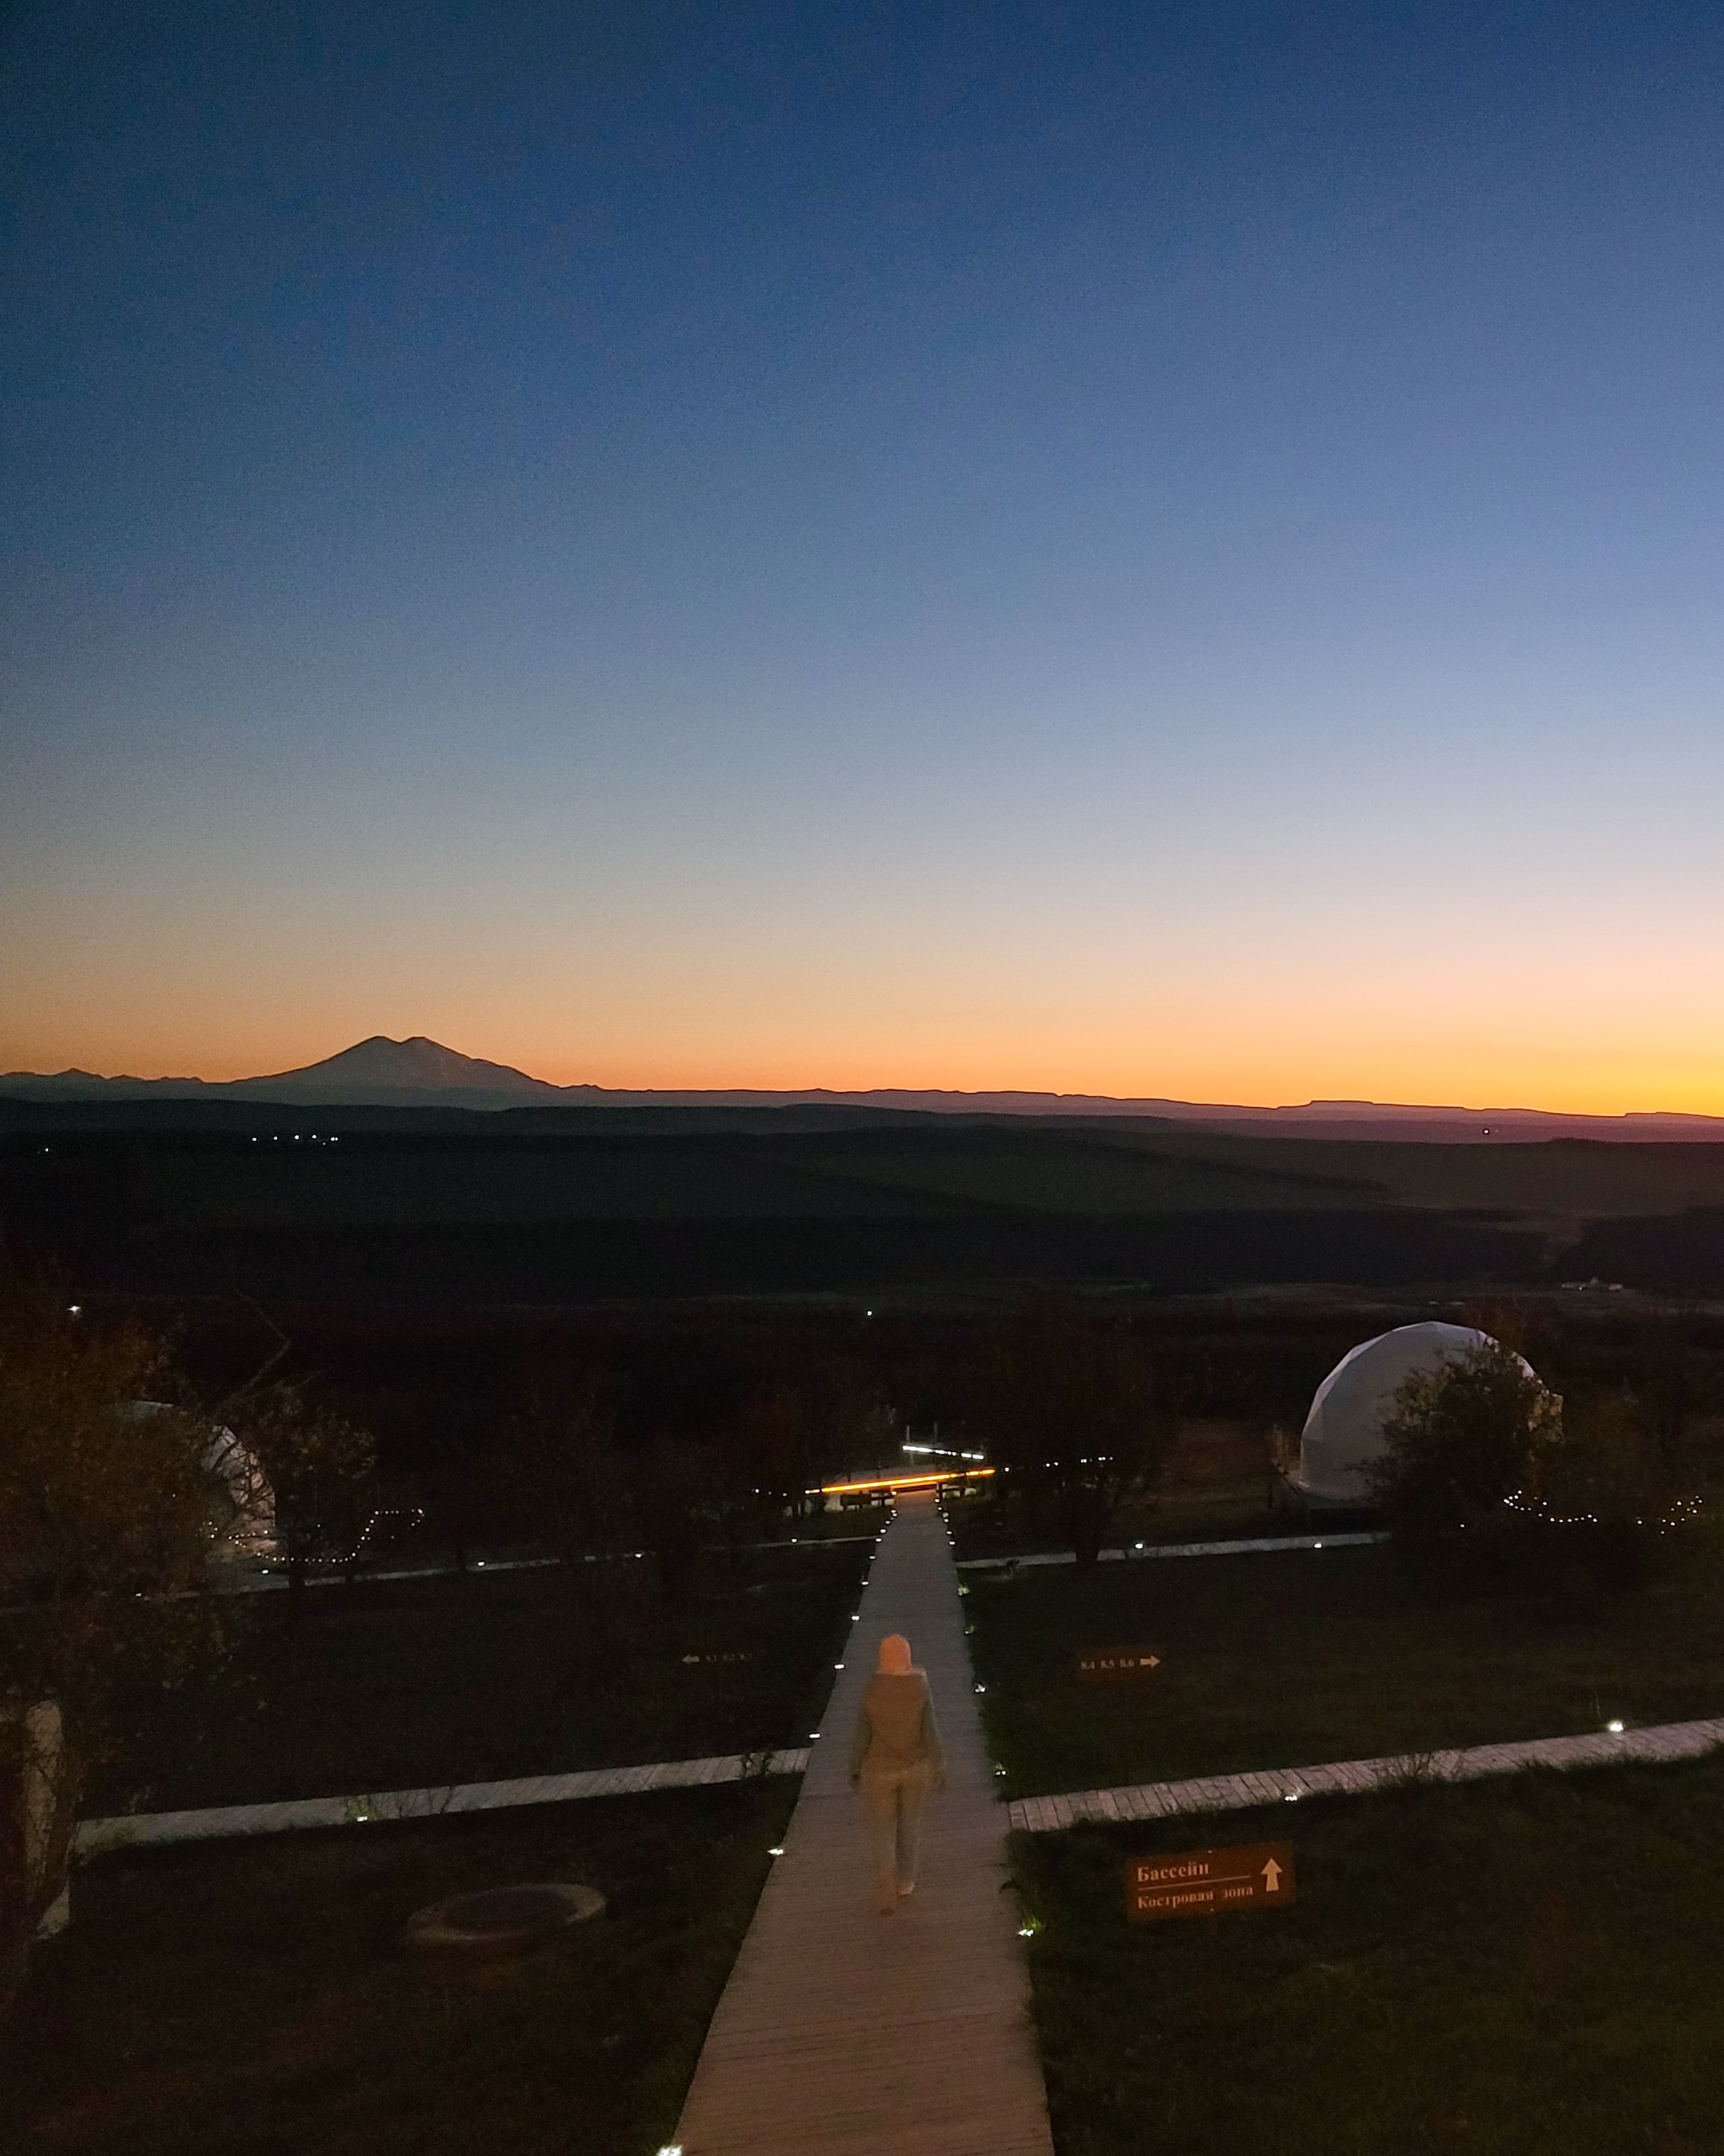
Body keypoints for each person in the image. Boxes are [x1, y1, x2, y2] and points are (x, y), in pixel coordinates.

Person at [848, 1632, 945, 1914]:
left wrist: (854, 1767)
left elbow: (861, 1735)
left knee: (884, 1830)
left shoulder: (872, 1689)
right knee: (909, 1825)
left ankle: (886, 1879)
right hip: (915, 1768)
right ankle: (906, 1881)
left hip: (878, 1771)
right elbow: (930, 1730)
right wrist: (939, 1764)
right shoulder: (920, 1687)